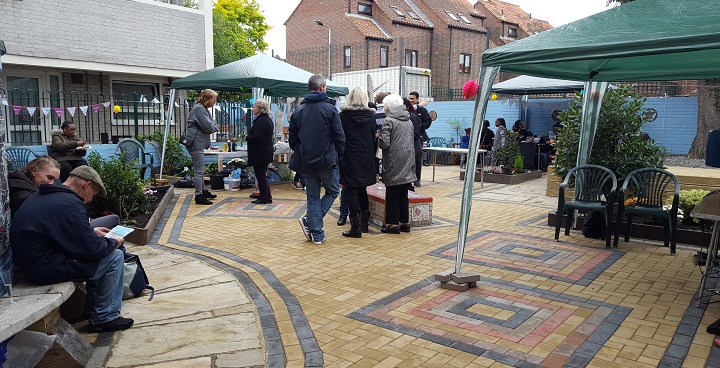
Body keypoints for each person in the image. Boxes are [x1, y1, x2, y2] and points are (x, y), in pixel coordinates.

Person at [10, 166, 133, 332]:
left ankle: (93, 310)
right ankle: (105, 317)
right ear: (87, 185)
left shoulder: (47, 197)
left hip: (33, 263)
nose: (91, 199)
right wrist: (113, 241)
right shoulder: (70, 205)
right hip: (43, 269)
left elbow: (62, 232)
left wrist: (90, 232)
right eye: (94, 193)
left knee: (101, 257)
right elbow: (92, 249)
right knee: (114, 256)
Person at [289, 75, 345, 245]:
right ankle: (313, 225)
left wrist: (302, 150)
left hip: (307, 160)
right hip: (327, 160)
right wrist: (339, 155)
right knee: (333, 191)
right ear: (321, 87)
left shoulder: (298, 112)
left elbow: (293, 140)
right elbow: (339, 136)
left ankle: (316, 232)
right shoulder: (330, 110)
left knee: (312, 196)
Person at [8, 155, 121, 228]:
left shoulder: (26, 186)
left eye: (55, 180)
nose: (51, 183)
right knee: (113, 225)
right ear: (34, 171)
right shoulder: (23, 196)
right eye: (49, 177)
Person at [338, 86, 377, 238]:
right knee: (362, 189)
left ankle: (355, 228)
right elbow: (373, 138)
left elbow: (340, 138)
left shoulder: (343, 116)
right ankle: (364, 224)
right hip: (366, 157)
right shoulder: (371, 117)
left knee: (351, 188)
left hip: (349, 156)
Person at [379, 94, 417, 234]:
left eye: (384, 107)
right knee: (403, 191)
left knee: (392, 191)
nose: (384, 110)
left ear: (389, 107)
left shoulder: (388, 121)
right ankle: (404, 222)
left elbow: (385, 143)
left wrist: (379, 137)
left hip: (394, 159)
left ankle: (393, 224)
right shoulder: (409, 120)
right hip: (408, 158)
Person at [186, 89, 219, 205]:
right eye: (214, 100)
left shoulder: (203, 109)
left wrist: (212, 126)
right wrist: (213, 126)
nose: (215, 102)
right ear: (207, 99)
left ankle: (203, 191)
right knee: (199, 170)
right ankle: (198, 195)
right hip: (195, 142)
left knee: (200, 169)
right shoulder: (199, 108)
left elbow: (212, 124)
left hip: (199, 142)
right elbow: (209, 127)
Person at [245, 99, 275, 204]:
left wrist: (247, 137)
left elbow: (257, 137)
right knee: (262, 175)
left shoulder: (262, 121)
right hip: (264, 152)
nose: (253, 109)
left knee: (261, 175)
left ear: (260, 109)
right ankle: (267, 196)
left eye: (254, 107)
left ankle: (264, 198)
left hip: (261, 153)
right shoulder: (266, 119)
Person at [402, 98, 422, 188]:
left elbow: (416, 132)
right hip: (408, 143)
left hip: (414, 143)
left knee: (416, 162)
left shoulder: (412, 116)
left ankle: (417, 179)